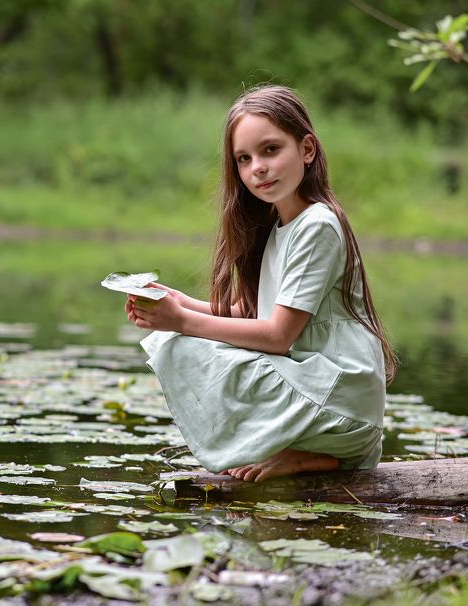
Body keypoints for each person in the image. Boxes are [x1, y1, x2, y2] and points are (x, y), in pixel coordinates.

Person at [126, 84, 396, 483]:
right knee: (187, 341)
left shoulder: (318, 225)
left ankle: (324, 447)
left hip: (340, 400)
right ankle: (310, 454)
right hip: (318, 387)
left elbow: (277, 335)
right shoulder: (280, 228)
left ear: (307, 149)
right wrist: (179, 302)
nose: (258, 168)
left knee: (185, 346)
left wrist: (180, 321)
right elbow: (249, 315)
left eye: (271, 150)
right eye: (244, 158)